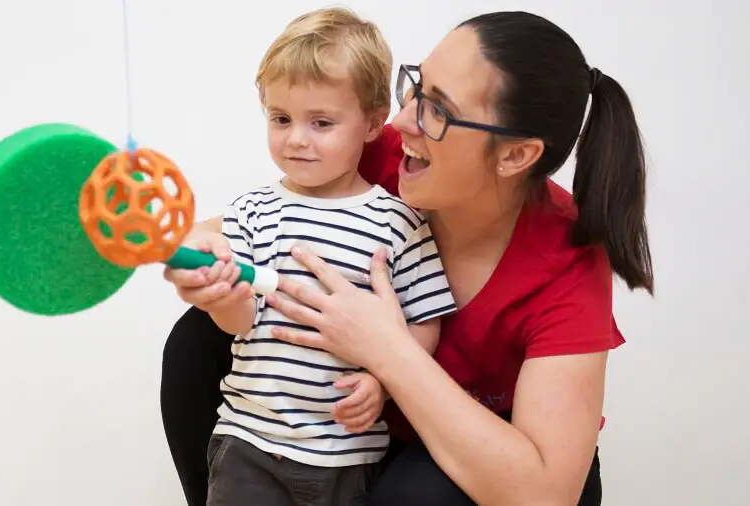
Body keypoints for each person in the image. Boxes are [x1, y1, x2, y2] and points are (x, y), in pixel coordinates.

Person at [161, 9, 653, 506]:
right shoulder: (386, 155)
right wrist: (202, 254)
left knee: (417, 494)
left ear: (514, 155)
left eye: (438, 110)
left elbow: (544, 493)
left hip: (499, 468)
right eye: (416, 87)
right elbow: (250, 224)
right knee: (195, 342)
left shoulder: (568, 261)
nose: (400, 120)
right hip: (370, 430)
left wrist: (386, 349)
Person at [192, 8, 458, 506]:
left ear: (373, 123)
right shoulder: (253, 211)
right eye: (281, 119)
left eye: (321, 122)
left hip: (346, 456)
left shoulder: (400, 222)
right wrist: (221, 295)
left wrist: (382, 382)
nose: (296, 138)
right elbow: (239, 321)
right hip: (249, 444)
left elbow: (424, 323)